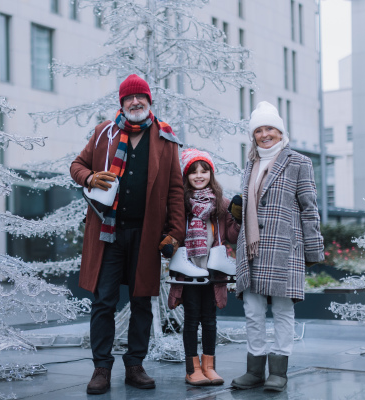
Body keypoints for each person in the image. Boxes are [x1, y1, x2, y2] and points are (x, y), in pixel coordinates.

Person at [70, 74, 185, 395]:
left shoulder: (165, 138)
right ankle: (101, 369)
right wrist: (90, 177)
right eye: (129, 98)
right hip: (107, 234)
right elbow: (76, 165)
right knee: (103, 301)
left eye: (141, 98)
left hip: (147, 236)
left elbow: (176, 189)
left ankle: (135, 364)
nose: (136, 102)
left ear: (150, 102)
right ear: (121, 103)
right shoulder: (104, 133)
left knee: (141, 301)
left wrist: (176, 232)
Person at [230, 101, 324, 392]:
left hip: (284, 247)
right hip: (252, 248)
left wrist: (313, 249)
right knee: (253, 311)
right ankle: (255, 369)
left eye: (270, 128)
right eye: (259, 129)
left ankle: (279, 371)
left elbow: (309, 208)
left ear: (280, 131)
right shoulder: (250, 164)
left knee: (283, 311)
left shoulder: (298, 162)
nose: (264, 134)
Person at [167, 149, 240, 386]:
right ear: (186, 176)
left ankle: (209, 367)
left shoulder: (221, 203)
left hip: (213, 271)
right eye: (193, 172)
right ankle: (192, 369)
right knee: (191, 319)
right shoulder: (179, 204)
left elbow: (231, 234)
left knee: (209, 320)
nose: (199, 175)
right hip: (188, 271)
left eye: (204, 170)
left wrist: (238, 219)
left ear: (211, 173)